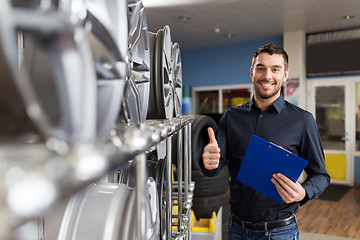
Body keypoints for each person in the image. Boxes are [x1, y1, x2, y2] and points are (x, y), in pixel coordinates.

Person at [201, 43, 330, 240]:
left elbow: (321, 175)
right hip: (236, 229)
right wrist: (209, 162)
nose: (267, 76)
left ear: (285, 74)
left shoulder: (302, 120)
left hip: (280, 231)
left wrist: (303, 193)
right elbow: (214, 168)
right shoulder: (231, 117)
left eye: (275, 69)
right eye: (261, 68)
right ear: (252, 72)